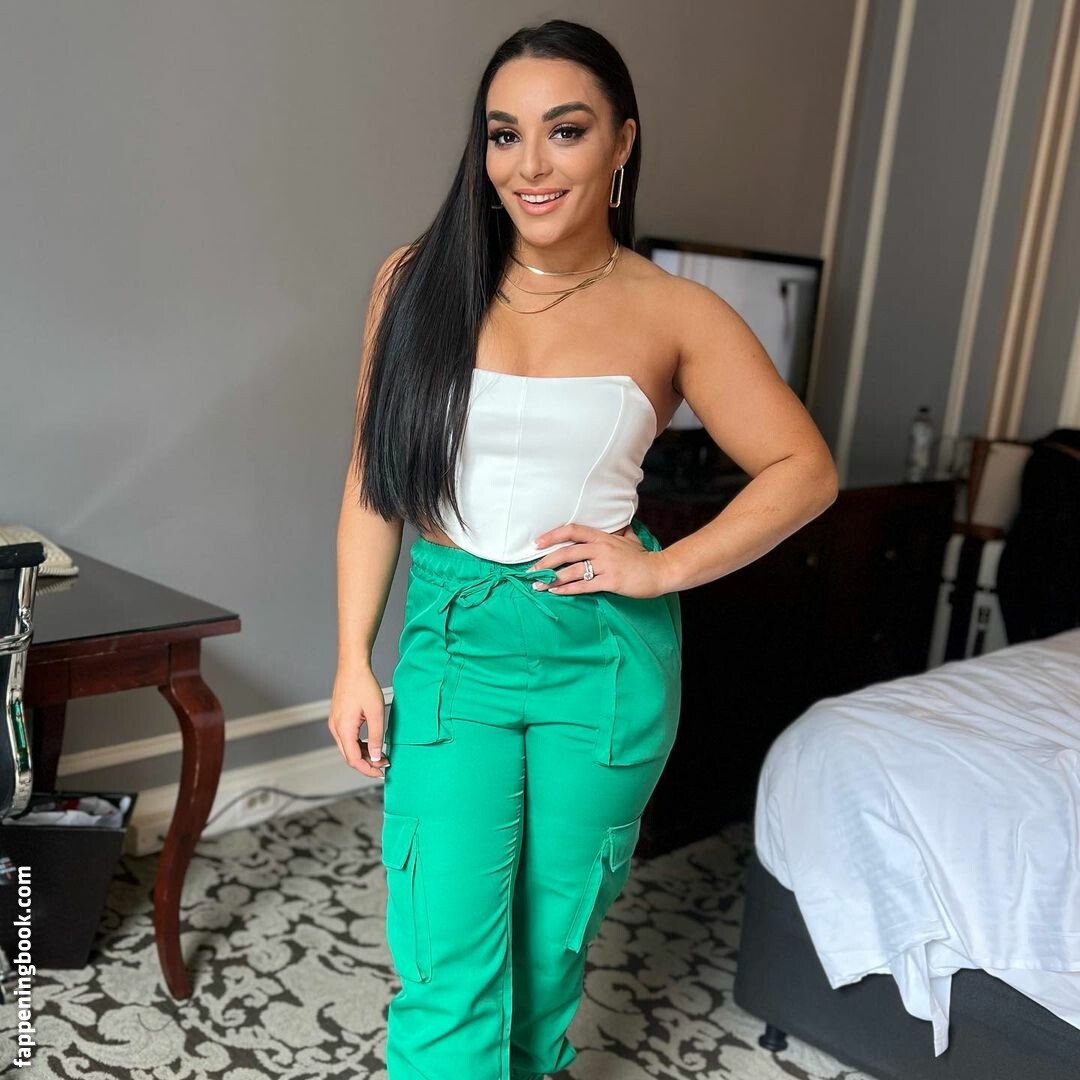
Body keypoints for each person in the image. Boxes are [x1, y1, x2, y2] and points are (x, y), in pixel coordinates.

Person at [331, 18, 838, 1079]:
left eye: (565, 131)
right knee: (445, 956)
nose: (531, 164)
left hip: (601, 660)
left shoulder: (675, 310)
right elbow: (375, 485)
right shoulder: (413, 283)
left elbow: (804, 469)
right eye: (504, 134)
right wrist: (350, 660)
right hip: (454, 646)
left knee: (548, 953)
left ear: (621, 143)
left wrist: (658, 567)